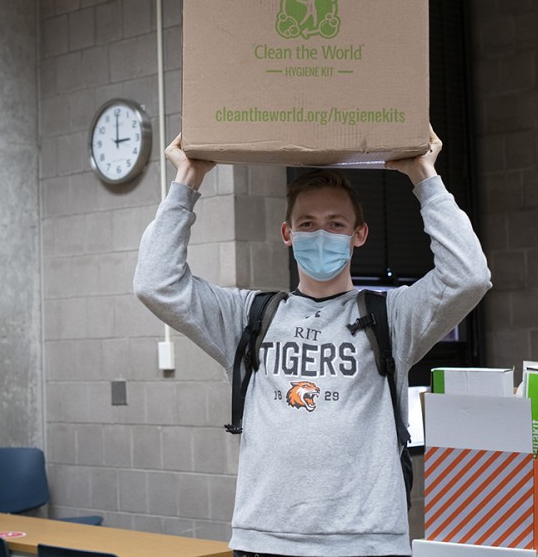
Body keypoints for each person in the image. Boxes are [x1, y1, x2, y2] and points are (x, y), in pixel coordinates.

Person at [134, 129, 491, 557]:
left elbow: (468, 277)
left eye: (335, 224)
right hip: (266, 538)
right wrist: (187, 182)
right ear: (288, 234)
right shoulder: (247, 316)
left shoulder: (392, 317)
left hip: (368, 541)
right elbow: (156, 283)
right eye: (307, 224)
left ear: (359, 234)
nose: (320, 234)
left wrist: (424, 179)